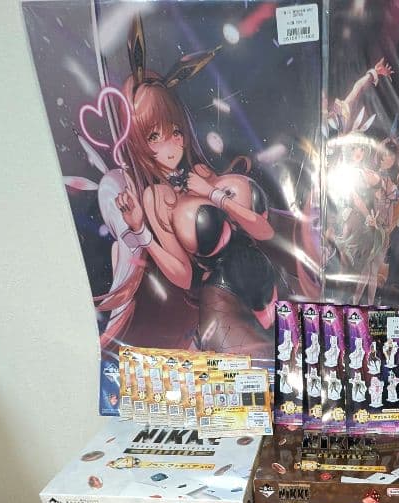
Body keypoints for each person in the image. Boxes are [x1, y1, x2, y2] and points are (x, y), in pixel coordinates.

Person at [95, 15, 277, 359]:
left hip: (265, 281)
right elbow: (183, 276)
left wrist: (213, 194)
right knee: (257, 370)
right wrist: (140, 232)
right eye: (154, 136)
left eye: (174, 131)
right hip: (222, 299)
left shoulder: (201, 171)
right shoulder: (156, 197)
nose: (171, 145)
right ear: (137, 143)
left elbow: (264, 231)